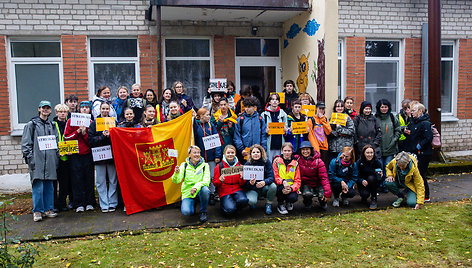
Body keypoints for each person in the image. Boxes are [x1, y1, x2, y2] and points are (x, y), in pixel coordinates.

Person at [21, 100, 59, 222]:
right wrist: (30, 159)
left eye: (47, 108)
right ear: (39, 109)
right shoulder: (31, 125)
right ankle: (37, 211)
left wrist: (57, 157)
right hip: (37, 161)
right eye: (43, 108)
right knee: (38, 186)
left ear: (50, 111)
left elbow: (57, 142)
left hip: (50, 161)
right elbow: (26, 144)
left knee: (49, 187)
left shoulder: (52, 125)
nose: (45, 110)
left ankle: (48, 209)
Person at [64, 101, 96, 213]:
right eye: (83, 108)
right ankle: (79, 203)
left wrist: (84, 134)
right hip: (75, 155)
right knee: (77, 180)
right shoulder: (70, 121)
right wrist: (77, 132)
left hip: (87, 154)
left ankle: (90, 202)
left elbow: (92, 141)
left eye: (87, 108)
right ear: (79, 109)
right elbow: (67, 138)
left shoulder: (91, 122)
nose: (85, 109)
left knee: (89, 178)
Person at [88, 102, 118, 213]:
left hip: (111, 156)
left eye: (107, 109)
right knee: (100, 181)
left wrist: (110, 136)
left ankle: (112, 203)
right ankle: (104, 204)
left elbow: (118, 138)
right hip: (99, 155)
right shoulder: (94, 123)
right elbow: (90, 140)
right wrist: (102, 137)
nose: (105, 110)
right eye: (103, 108)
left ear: (109, 110)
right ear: (99, 110)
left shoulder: (113, 122)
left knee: (113, 180)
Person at [171, 145, 210, 223]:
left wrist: (195, 187)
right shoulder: (183, 165)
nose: (197, 155)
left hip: (199, 191)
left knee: (205, 190)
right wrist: (176, 173)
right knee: (187, 212)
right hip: (188, 193)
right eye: (194, 153)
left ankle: (203, 212)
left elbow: (206, 181)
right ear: (189, 155)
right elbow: (177, 181)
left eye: (198, 152)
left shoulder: (205, 165)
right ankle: (193, 203)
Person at [193, 108, 222, 205]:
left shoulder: (211, 125)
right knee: (201, 176)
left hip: (211, 156)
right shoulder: (195, 126)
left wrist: (217, 155)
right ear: (201, 116)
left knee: (212, 176)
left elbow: (217, 140)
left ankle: (212, 194)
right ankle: (201, 195)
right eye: (207, 115)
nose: (209, 116)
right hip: (200, 157)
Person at [406, 102, 433, 202]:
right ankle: (418, 193)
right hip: (415, 152)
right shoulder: (414, 121)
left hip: (423, 153)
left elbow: (428, 137)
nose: (411, 112)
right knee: (416, 173)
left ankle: (426, 195)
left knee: (421, 174)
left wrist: (419, 145)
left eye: (413, 111)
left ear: (420, 111)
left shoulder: (425, 123)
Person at [213, 145, 248, 215]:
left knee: (244, 200)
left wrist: (242, 178)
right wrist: (220, 180)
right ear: (224, 154)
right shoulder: (219, 166)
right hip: (224, 191)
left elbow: (242, 184)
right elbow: (215, 183)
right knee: (230, 210)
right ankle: (225, 206)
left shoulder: (239, 165)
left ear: (235, 154)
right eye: (228, 153)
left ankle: (235, 207)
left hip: (237, 189)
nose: (230, 154)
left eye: (232, 152)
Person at [295, 141, 331, 210]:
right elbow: (287, 155)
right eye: (303, 149)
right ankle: (307, 203)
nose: (305, 151)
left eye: (307, 149)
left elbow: (324, 178)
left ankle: (323, 203)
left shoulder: (318, 161)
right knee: (307, 194)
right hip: (306, 184)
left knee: (322, 196)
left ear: (311, 150)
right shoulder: (298, 159)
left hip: (318, 183)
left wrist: (328, 193)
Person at [375, 99, 401, 191]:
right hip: (378, 148)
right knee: (379, 167)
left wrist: (394, 140)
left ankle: (386, 185)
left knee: (387, 166)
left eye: (385, 107)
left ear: (388, 107)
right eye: (382, 107)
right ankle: (379, 185)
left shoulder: (392, 117)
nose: (384, 109)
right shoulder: (375, 118)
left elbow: (398, 130)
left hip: (390, 147)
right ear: (379, 108)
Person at [243, 144, 277, 215]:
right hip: (253, 189)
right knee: (251, 201)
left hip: (264, 187)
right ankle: (252, 203)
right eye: (254, 152)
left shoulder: (266, 162)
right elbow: (244, 184)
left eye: (258, 152)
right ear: (250, 154)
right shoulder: (247, 165)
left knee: (273, 186)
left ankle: (268, 204)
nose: (256, 154)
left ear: (261, 153)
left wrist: (264, 182)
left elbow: (271, 177)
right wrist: (250, 183)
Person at [233, 96, 267, 162]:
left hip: (257, 152)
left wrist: (263, 149)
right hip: (245, 152)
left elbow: (263, 136)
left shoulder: (260, 119)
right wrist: (241, 149)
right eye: (245, 107)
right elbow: (237, 137)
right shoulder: (240, 119)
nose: (246, 109)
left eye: (249, 107)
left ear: (254, 107)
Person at [52, 104, 72, 212]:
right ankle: (55, 204)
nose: (62, 114)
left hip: (67, 157)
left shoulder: (70, 123)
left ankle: (63, 203)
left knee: (65, 182)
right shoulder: (52, 124)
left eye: (64, 112)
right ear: (56, 113)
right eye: (60, 112)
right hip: (55, 157)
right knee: (55, 183)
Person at [273, 143, 301, 214]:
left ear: (292, 151)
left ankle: (289, 202)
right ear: (282, 151)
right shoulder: (277, 161)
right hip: (280, 185)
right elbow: (275, 176)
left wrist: (291, 188)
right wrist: (283, 182)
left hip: (291, 186)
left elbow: (298, 180)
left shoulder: (295, 163)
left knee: (293, 197)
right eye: (285, 150)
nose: (287, 153)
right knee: (280, 189)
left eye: (289, 151)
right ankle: (280, 204)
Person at [261, 93, 289, 160]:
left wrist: (286, 130)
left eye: (276, 99)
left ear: (279, 102)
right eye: (273, 99)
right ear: (269, 102)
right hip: (269, 145)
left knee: (279, 164)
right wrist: (265, 131)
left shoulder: (283, 114)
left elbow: (286, 130)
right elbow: (261, 130)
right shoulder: (264, 114)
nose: (274, 101)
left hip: (279, 144)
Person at [328, 99, 355, 165]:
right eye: (338, 106)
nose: (339, 108)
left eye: (341, 106)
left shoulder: (347, 117)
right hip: (333, 148)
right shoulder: (332, 118)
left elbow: (352, 131)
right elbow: (328, 131)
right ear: (335, 108)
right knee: (333, 165)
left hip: (345, 148)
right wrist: (335, 133)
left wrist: (340, 129)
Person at [356, 145, 383, 209]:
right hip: (363, 183)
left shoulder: (377, 162)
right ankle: (364, 197)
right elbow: (355, 175)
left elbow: (381, 176)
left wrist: (380, 176)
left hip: (373, 182)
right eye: (367, 153)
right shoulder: (359, 162)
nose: (369, 155)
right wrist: (361, 180)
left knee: (371, 178)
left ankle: (374, 198)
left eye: (371, 153)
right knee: (365, 194)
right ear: (364, 153)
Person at [307, 101, 332, 165]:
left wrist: (322, 119)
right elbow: (310, 135)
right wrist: (315, 148)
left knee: (324, 166)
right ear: (316, 109)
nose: (321, 110)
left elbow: (328, 132)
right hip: (316, 147)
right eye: (320, 108)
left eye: (323, 109)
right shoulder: (311, 120)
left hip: (324, 147)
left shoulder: (325, 119)